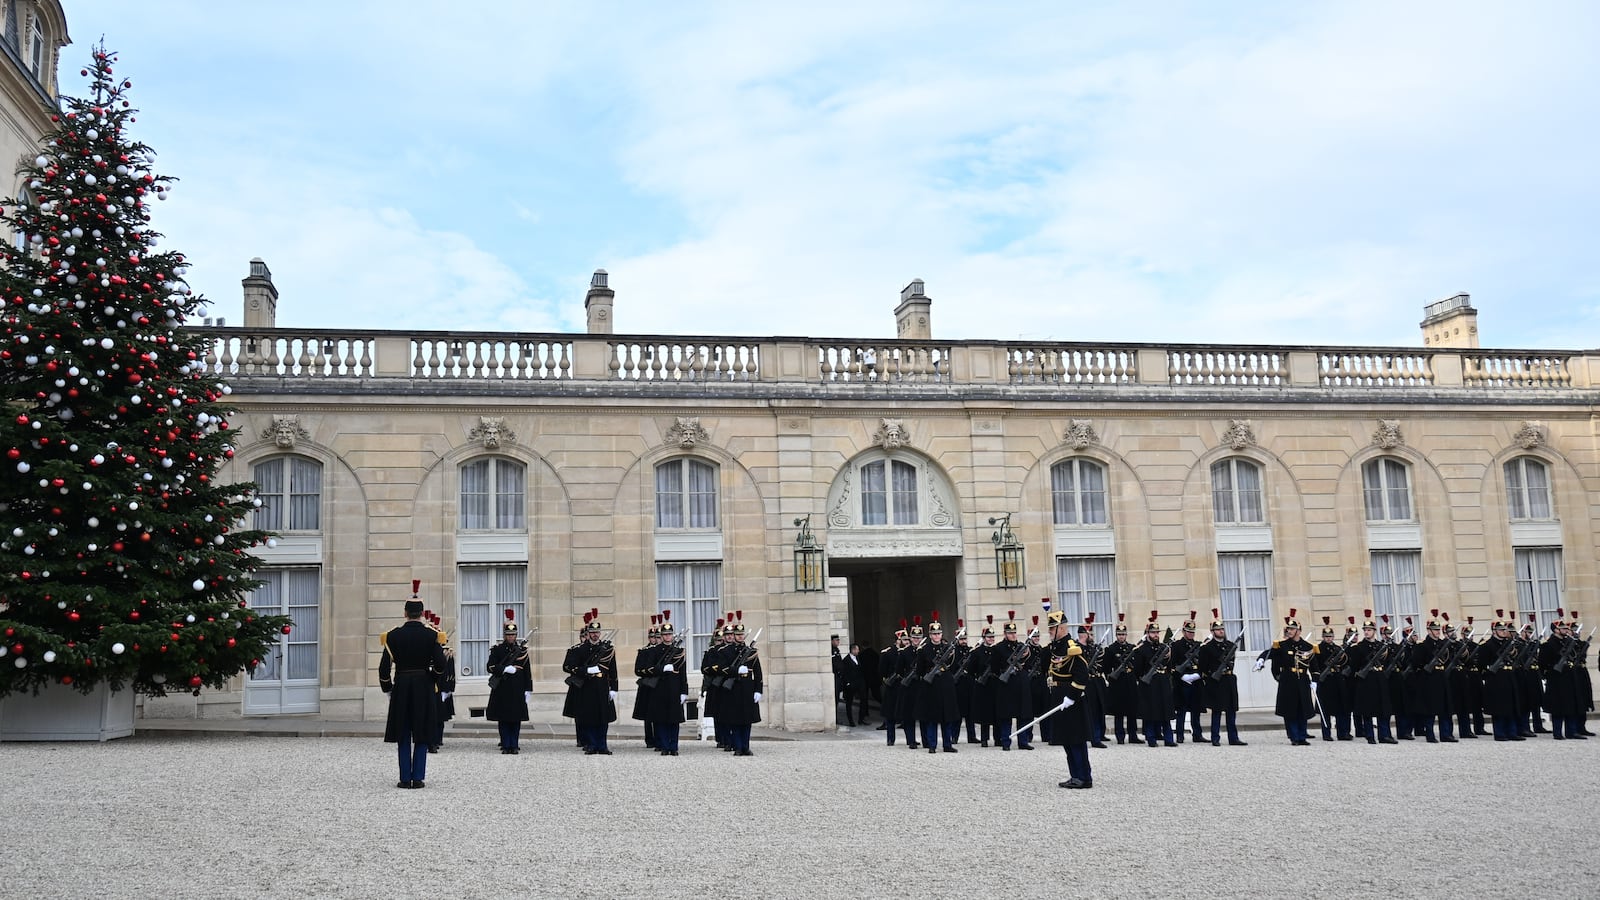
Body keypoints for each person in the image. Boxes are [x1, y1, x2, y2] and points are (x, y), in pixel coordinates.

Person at [378, 589, 448, 789]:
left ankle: (404, 778)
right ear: (423, 613)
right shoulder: (432, 636)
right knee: (422, 731)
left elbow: (384, 669)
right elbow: (441, 664)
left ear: (405, 613)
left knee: (403, 732)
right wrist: (431, 678)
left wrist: (388, 688)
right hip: (423, 686)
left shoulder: (392, 636)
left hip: (401, 684)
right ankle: (417, 777)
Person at [1043, 611, 1093, 788]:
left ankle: (1083, 777)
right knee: (1067, 740)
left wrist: (1071, 697)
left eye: (1052, 628)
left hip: (1072, 700)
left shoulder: (1072, 647)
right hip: (1059, 697)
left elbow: (1082, 675)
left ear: (1061, 628)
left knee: (1076, 739)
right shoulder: (1055, 647)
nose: (1049, 631)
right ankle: (1075, 775)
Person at [563, 611, 619, 755]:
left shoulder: (608, 650)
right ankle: (592, 745)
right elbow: (568, 666)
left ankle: (603, 745)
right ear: (588, 633)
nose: (595, 634)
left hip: (602, 687)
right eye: (592, 632)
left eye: (597, 632)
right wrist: (586, 670)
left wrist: (614, 688)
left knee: (603, 718)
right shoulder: (579, 649)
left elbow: (613, 670)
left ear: (600, 633)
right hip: (586, 687)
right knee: (589, 717)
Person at [1192, 611, 1247, 746]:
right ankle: (1215, 737)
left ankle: (1233, 738)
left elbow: (1232, 662)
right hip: (1216, 681)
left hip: (1229, 680)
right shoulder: (1207, 648)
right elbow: (1202, 667)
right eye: (1217, 629)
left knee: (1231, 711)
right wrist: (1211, 676)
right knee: (1216, 711)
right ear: (1212, 631)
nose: (1221, 631)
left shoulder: (1229, 645)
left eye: (1222, 629)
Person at [485, 610, 532, 754]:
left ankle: (514, 744)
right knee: (504, 718)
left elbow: (527, 671)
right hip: (502, 688)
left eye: (513, 635)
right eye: (508, 635)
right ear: (504, 635)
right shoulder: (497, 650)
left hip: (517, 688)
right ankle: (506, 744)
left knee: (516, 719)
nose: (511, 637)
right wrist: (505, 669)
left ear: (516, 635)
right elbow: (490, 667)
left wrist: (528, 689)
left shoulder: (522, 651)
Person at [1269, 612, 1317, 746]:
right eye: (1288, 629)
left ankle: (1302, 736)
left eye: (1292, 629)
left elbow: (1314, 666)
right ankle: (1294, 736)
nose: (1289, 631)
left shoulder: (1308, 647)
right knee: (1290, 709)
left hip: (1302, 679)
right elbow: (1273, 659)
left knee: (1303, 708)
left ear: (1299, 631)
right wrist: (1278, 676)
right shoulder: (1282, 645)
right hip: (1288, 680)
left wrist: (1315, 681)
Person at [914, 615, 961, 753]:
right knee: (932, 718)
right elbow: (919, 671)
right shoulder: (924, 650)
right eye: (934, 634)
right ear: (930, 635)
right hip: (931, 687)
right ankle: (932, 745)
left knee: (947, 718)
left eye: (939, 633)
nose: (937, 636)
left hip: (945, 685)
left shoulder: (947, 648)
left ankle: (947, 744)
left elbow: (953, 667)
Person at [718, 616, 763, 756]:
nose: (739, 637)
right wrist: (736, 670)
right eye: (737, 635)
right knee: (735, 720)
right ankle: (737, 747)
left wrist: (758, 690)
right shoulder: (726, 651)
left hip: (748, 688)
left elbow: (758, 672)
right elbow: (722, 669)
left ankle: (746, 746)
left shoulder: (751, 651)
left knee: (747, 720)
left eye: (741, 634)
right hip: (733, 688)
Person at [990, 612, 1034, 751]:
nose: (1013, 635)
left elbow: (1029, 664)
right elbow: (994, 667)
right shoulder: (998, 648)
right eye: (1010, 633)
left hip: (1020, 684)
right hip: (1006, 685)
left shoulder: (1022, 647)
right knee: (1006, 716)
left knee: (1023, 714)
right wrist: (1005, 673)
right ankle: (1005, 741)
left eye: (1014, 632)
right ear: (1005, 633)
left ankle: (1023, 741)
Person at [1476, 615, 1523, 741]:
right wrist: (1489, 673)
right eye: (1501, 629)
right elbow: (1481, 666)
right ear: (1494, 630)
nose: (1504, 631)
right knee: (1499, 707)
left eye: (1504, 629)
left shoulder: (1509, 644)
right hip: (1496, 680)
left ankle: (1512, 732)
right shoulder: (1487, 646)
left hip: (1509, 677)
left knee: (1511, 705)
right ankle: (1500, 733)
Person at [1411, 615, 1457, 743]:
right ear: (1429, 630)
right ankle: (1430, 734)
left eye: (1438, 629)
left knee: (1445, 707)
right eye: (1434, 629)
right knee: (1430, 709)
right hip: (1429, 680)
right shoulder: (1422, 646)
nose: (1437, 631)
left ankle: (1446, 734)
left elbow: (1450, 659)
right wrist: (1426, 667)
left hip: (1442, 677)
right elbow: (1416, 664)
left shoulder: (1444, 644)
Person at [1131, 616, 1175, 747]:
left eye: (1157, 633)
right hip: (1149, 684)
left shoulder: (1164, 648)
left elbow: (1170, 666)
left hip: (1163, 681)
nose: (1156, 635)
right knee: (1150, 712)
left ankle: (1168, 738)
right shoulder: (1141, 649)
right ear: (1148, 633)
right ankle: (1151, 738)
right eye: (1153, 632)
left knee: (1165, 711)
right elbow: (1138, 670)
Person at [647, 620, 690, 755]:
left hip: (674, 689)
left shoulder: (678, 651)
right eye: (665, 634)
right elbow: (649, 669)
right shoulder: (655, 651)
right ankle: (665, 746)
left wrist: (684, 691)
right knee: (661, 720)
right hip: (659, 689)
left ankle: (674, 746)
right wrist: (662, 668)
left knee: (674, 720)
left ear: (672, 635)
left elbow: (683, 673)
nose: (667, 637)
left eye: (669, 634)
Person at [1169, 613, 1204, 744]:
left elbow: (1203, 663)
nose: (1191, 634)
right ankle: (1179, 735)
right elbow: (1172, 665)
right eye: (1188, 631)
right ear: (1184, 631)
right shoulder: (1177, 646)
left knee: (1196, 709)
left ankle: (1197, 734)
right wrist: (1182, 676)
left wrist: (1197, 675)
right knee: (1181, 709)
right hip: (1182, 682)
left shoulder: (1198, 646)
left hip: (1195, 680)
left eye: (1192, 632)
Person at [965, 620, 998, 747]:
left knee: (996, 713)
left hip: (995, 684)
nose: (991, 639)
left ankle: (997, 738)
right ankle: (984, 739)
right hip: (983, 686)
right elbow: (970, 670)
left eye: (992, 637)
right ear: (984, 638)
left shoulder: (997, 650)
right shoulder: (977, 652)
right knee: (985, 714)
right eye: (989, 637)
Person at [427, 611, 455, 753]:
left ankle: (436, 739)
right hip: (426, 685)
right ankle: (427, 740)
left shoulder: (444, 651)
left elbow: (447, 671)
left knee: (438, 717)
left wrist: (447, 688)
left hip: (438, 686)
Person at [1077, 620, 1108, 748]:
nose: (1091, 636)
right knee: (1091, 711)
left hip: (1096, 681)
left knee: (1099, 708)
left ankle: (1099, 734)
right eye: (1089, 634)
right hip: (1086, 683)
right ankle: (1093, 737)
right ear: (1083, 635)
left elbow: (1101, 663)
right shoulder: (1076, 648)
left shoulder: (1093, 648)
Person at [633, 619, 663, 749]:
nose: (654, 639)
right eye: (651, 637)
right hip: (647, 686)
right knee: (648, 715)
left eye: (656, 637)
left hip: (659, 685)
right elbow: (638, 670)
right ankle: (649, 739)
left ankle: (659, 738)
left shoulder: (661, 651)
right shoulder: (644, 651)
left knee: (658, 714)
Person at [878, 626, 907, 744]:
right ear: (897, 640)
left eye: (906, 640)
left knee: (907, 714)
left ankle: (910, 739)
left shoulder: (909, 652)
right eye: (903, 640)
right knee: (890, 715)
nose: (905, 642)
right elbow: (881, 670)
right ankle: (890, 738)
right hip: (893, 686)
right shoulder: (888, 653)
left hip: (905, 685)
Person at [839, 642, 867, 726]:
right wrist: (847, 683)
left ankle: (861, 719)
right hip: (851, 684)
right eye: (857, 649)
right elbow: (844, 673)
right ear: (853, 650)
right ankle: (851, 721)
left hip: (860, 683)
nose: (858, 651)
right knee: (849, 703)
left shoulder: (858, 658)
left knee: (864, 700)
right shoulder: (846, 660)